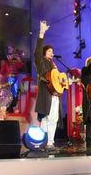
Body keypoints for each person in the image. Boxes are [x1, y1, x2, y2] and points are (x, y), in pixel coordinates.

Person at [34, 21, 62, 150]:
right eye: (49, 51)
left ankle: (50, 142)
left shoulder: (53, 64)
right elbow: (37, 53)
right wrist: (41, 33)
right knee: (45, 119)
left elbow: (58, 80)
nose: (52, 53)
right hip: (46, 95)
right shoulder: (41, 62)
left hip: (55, 96)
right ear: (44, 53)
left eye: (52, 51)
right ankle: (44, 142)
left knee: (53, 119)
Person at [0, 44, 24, 113]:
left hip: (15, 79)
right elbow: (1, 73)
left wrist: (18, 59)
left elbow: (21, 66)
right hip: (8, 79)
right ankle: (7, 109)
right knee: (8, 94)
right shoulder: (5, 63)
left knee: (15, 95)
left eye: (12, 52)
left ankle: (11, 108)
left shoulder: (16, 62)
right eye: (10, 53)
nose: (11, 55)